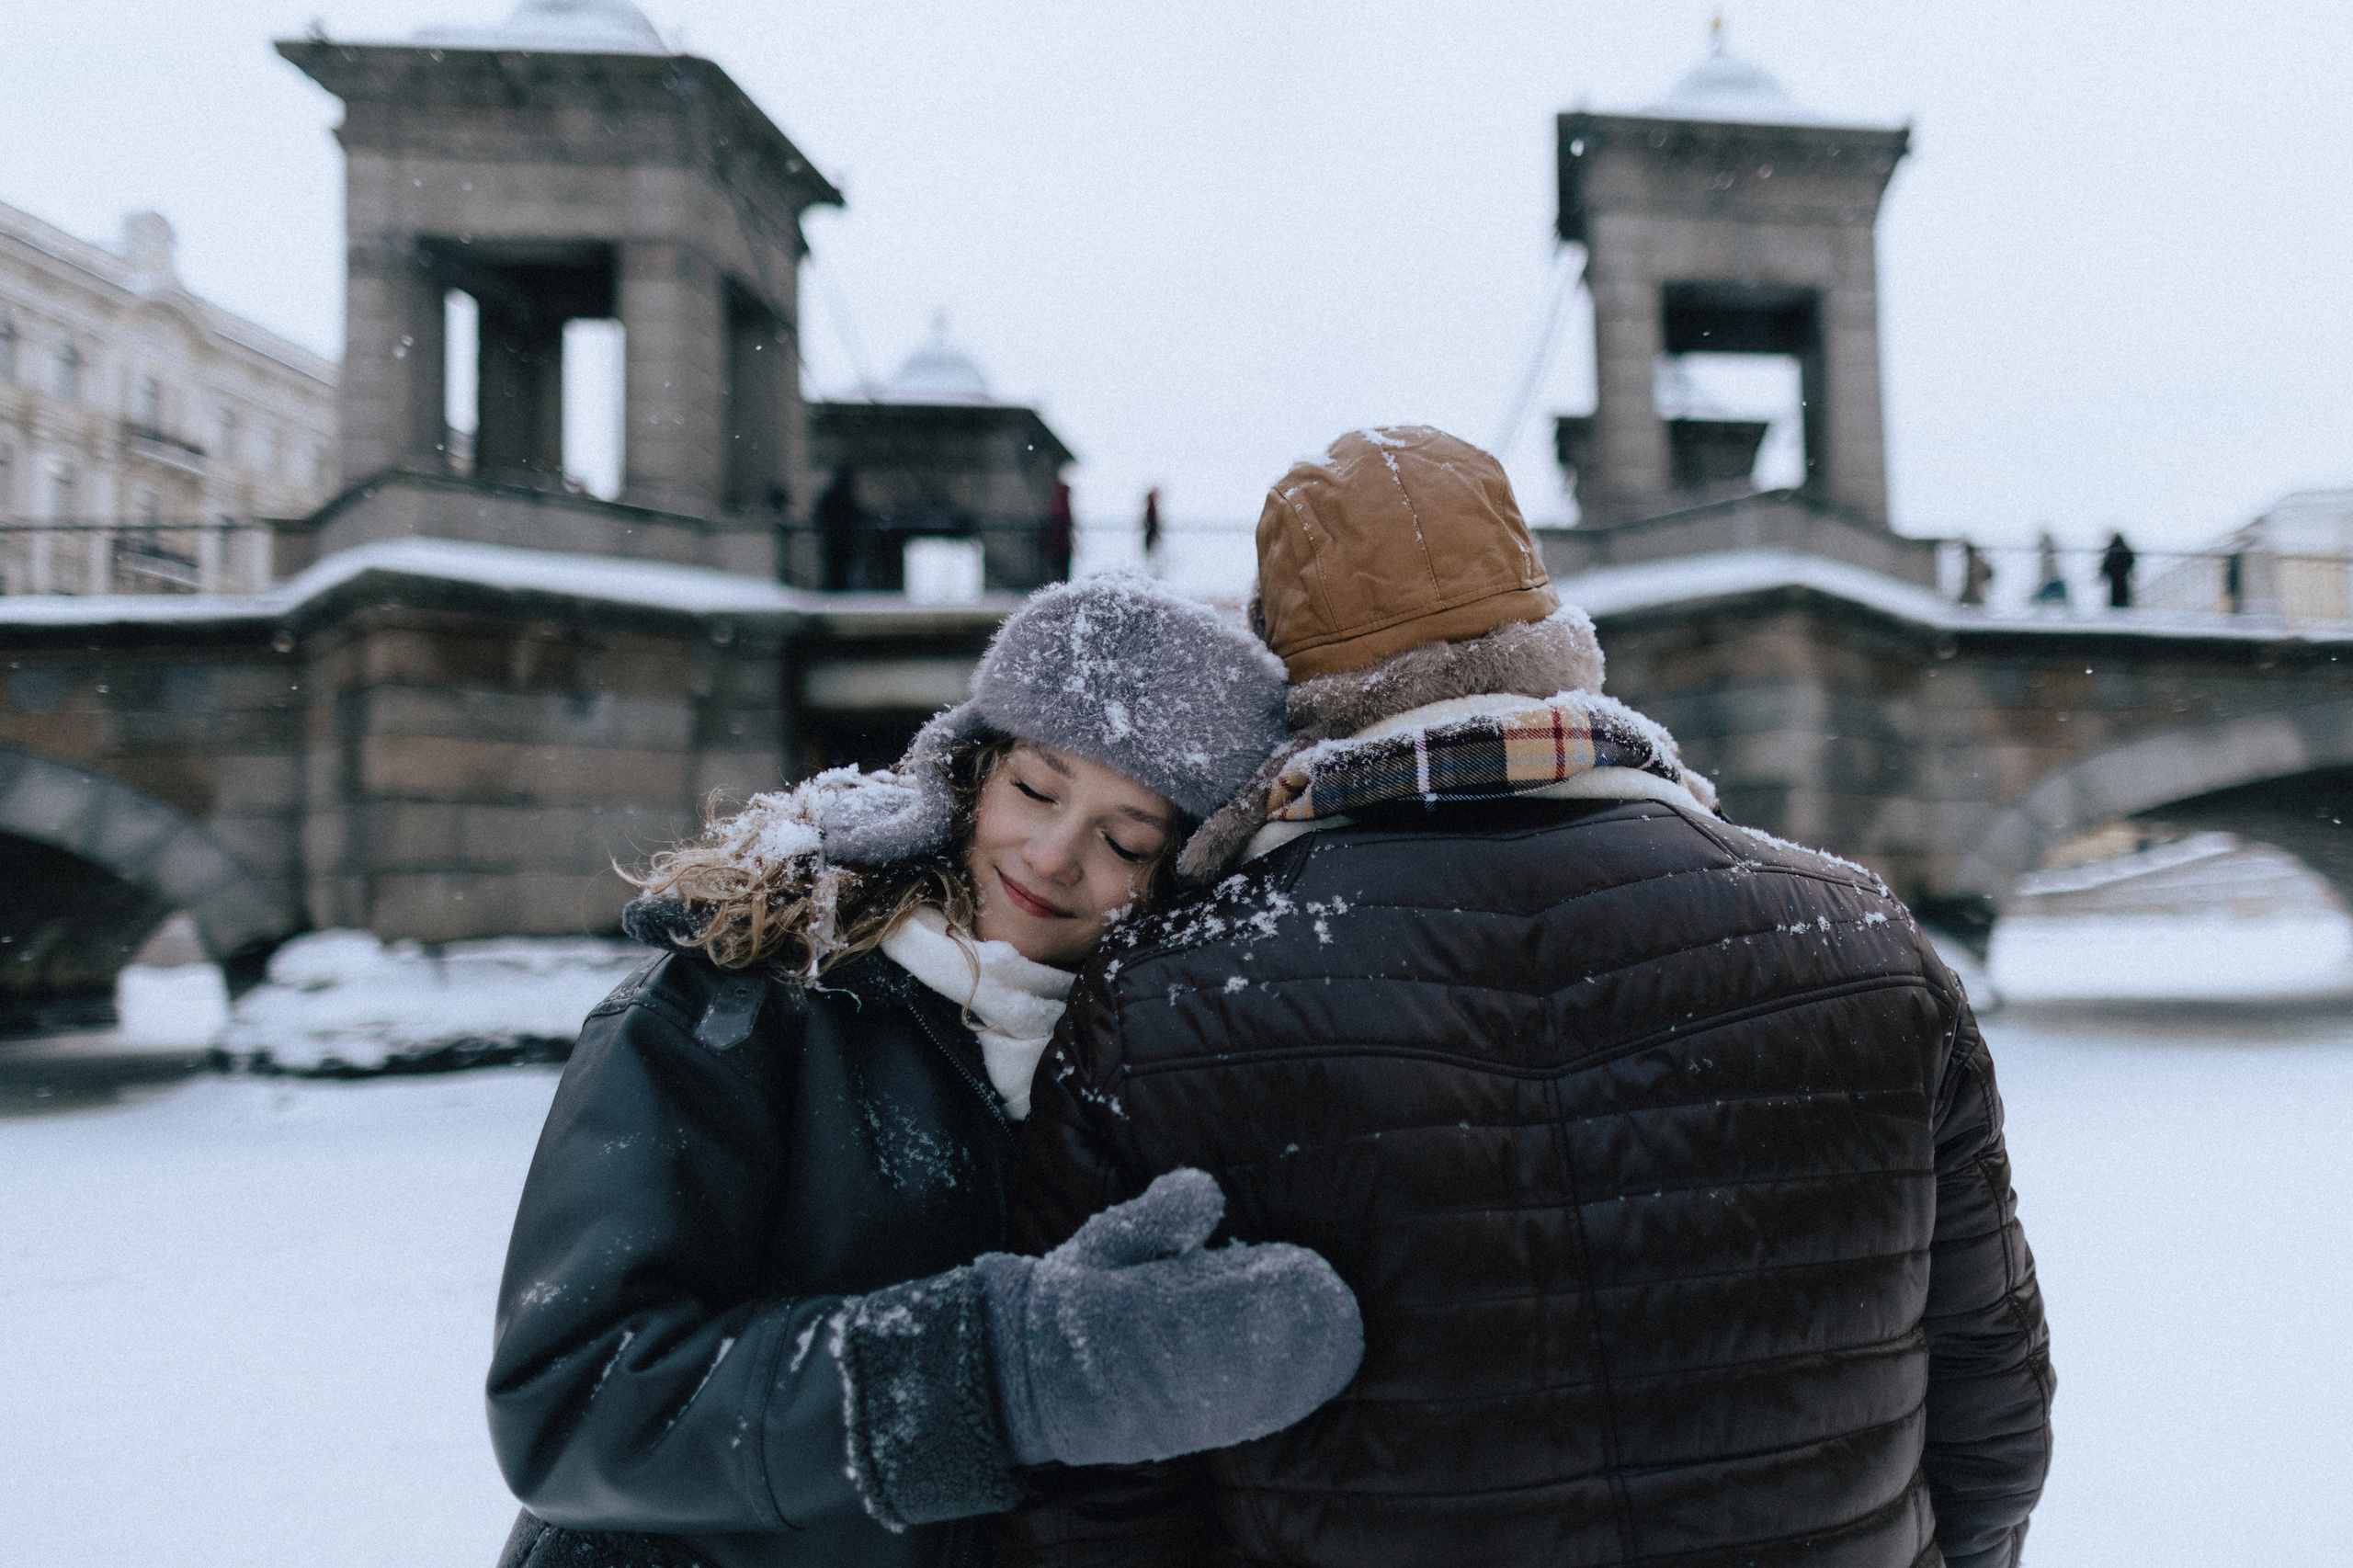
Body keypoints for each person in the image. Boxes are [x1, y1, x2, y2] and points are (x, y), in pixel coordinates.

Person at [1004, 427, 2053, 1568]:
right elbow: (1992, 1412)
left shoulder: (1162, 999)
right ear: (1557, 640)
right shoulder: (1858, 936)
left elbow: (1098, 1476)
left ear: (1296, 686)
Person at [486, 573, 1363, 1568]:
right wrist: (993, 1372)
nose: (1052, 851)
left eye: (1125, 838)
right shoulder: (743, 996)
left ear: (1174, 876)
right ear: (971, 770)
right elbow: (576, 1404)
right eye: (1035, 788)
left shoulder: (1143, 1074)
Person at [2099, 530, 2137, 608]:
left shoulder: (2112, 549)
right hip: (2122, 574)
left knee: (2115, 590)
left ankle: (2117, 604)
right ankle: (2123, 603)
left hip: (2115, 575)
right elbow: (2130, 561)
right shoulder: (2124, 549)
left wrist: (2103, 572)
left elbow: (2107, 562)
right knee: (2122, 589)